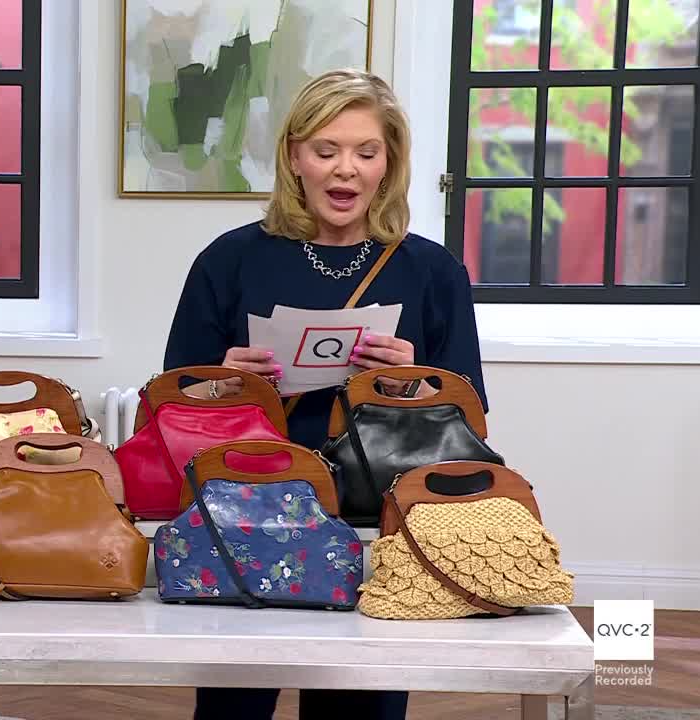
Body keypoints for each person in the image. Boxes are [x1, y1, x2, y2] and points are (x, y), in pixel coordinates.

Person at [162, 68, 490, 720]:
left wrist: (417, 383)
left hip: (378, 509)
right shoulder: (228, 261)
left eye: (366, 153)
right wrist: (222, 379)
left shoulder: (433, 271)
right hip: (248, 504)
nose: (346, 171)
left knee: (360, 702)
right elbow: (172, 404)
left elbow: (472, 410)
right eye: (326, 150)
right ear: (294, 157)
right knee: (235, 703)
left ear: (389, 161)